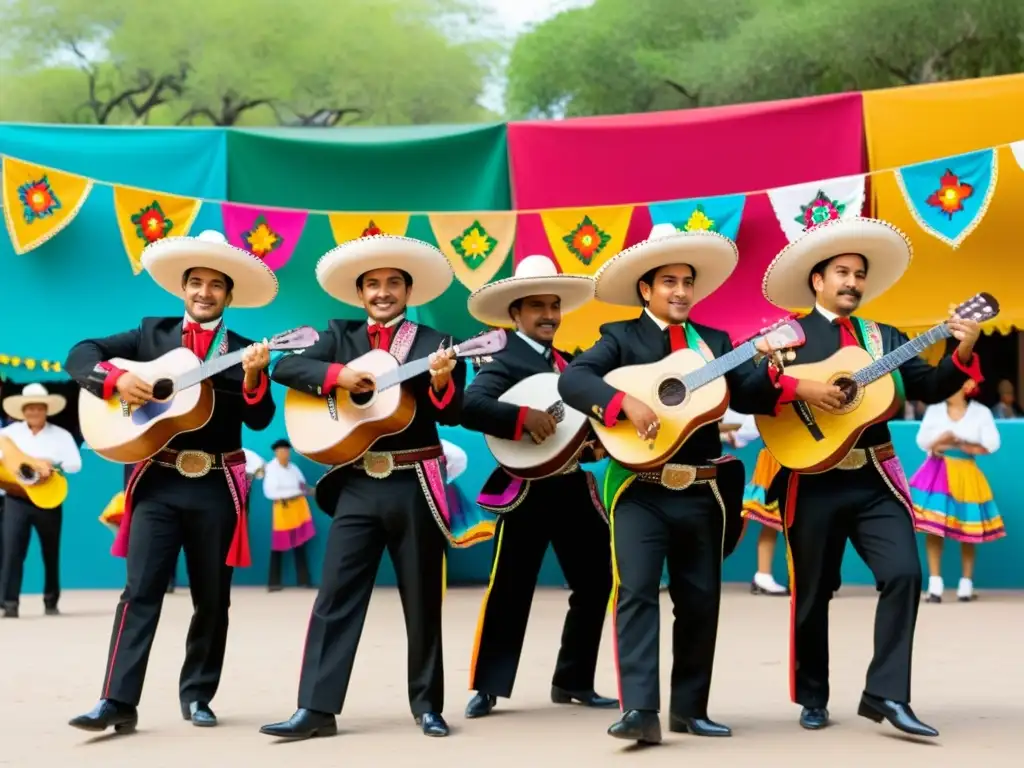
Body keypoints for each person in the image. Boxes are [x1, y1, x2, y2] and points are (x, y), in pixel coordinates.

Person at [557, 223, 796, 745]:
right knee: (636, 592)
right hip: (639, 488)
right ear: (646, 288)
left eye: (687, 282)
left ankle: (690, 709)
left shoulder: (715, 342)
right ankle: (641, 710)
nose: (681, 291)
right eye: (669, 282)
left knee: (700, 598)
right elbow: (573, 381)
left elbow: (749, 395)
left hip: (702, 488)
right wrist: (626, 404)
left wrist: (771, 367)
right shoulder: (619, 337)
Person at [759, 216, 982, 737]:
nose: (853, 282)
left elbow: (928, 384)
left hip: (873, 478)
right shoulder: (784, 334)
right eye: (842, 271)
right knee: (813, 591)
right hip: (810, 479)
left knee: (905, 574)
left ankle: (886, 694)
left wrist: (962, 349)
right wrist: (800, 390)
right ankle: (813, 695)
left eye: (859, 274)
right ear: (817, 279)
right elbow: (748, 388)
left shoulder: (885, 339)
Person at [65, 229, 278, 734]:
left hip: (215, 488)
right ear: (183, 289)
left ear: (229, 295)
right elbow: (78, 355)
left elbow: (263, 418)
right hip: (156, 482)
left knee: (212, 597)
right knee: (139, 592)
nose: (204, 293)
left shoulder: (247, 350)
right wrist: (116, 381)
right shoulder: (148, 334)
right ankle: (116, 700)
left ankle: (199, 694)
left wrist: (252, 379)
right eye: (196, 283)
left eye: (215, 286)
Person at [259, 234, 466, 740]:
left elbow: (455, 410)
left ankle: (428, 705)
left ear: (408, 290)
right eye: (372, 284)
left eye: (393, 282)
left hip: (414, 479)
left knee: (422, 598)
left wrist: (439, 382)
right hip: (355, 481)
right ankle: (316, 708)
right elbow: (285, 366)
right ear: (359, 294)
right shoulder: (338, 334)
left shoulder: (433, 342)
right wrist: (339, 376)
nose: (383, 292)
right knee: (335, 594)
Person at [459, 255, 617, 719]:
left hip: (570, 488)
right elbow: (472, 405)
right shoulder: (502, 357)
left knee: (596, 582)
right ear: (515, 314)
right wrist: (521, 418)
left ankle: (573, 681)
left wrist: (592, 450)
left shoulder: (571, 364)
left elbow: (576, 433)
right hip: (525, 490)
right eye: (536, 307)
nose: (548, 315)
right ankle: (488, 687)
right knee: (509, 588)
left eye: (554, 306)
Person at [910, 378, 1004, 603]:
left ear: (966, 386)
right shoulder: (934, 410)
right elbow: (922, 441)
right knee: (934, 527)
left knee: (968, 528)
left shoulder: (981, 413)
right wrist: (941, 440)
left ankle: (966, 584)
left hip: (966, 472)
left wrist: (960, 442)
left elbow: (992, 443)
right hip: (936, 471)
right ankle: (935, 585)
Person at [0, 383, 82, 618]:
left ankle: (51, 599)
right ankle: (9, 603)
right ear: (23, 411)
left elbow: (75, 465)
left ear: (46, 410)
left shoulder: (61, 435)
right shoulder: (8, 435)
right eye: (30, 409)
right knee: (12, 551)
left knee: (50, 551)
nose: (34, 413)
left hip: (48, 499)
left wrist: (51, 464)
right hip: (17, 499)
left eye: (39, 408)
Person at [263, 438, 315, 591]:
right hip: (283, 508)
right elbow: (270, 492)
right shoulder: (271, 469)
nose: (285, 453)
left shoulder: (293, 468)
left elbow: (302, 485)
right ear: (276, 453)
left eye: (287, 450)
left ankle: (304, 580)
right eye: (282, 451)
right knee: (278, 545)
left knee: (300, 543)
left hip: (298, 507)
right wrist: (296, 492)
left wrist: (313, 491)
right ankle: (273, 583)